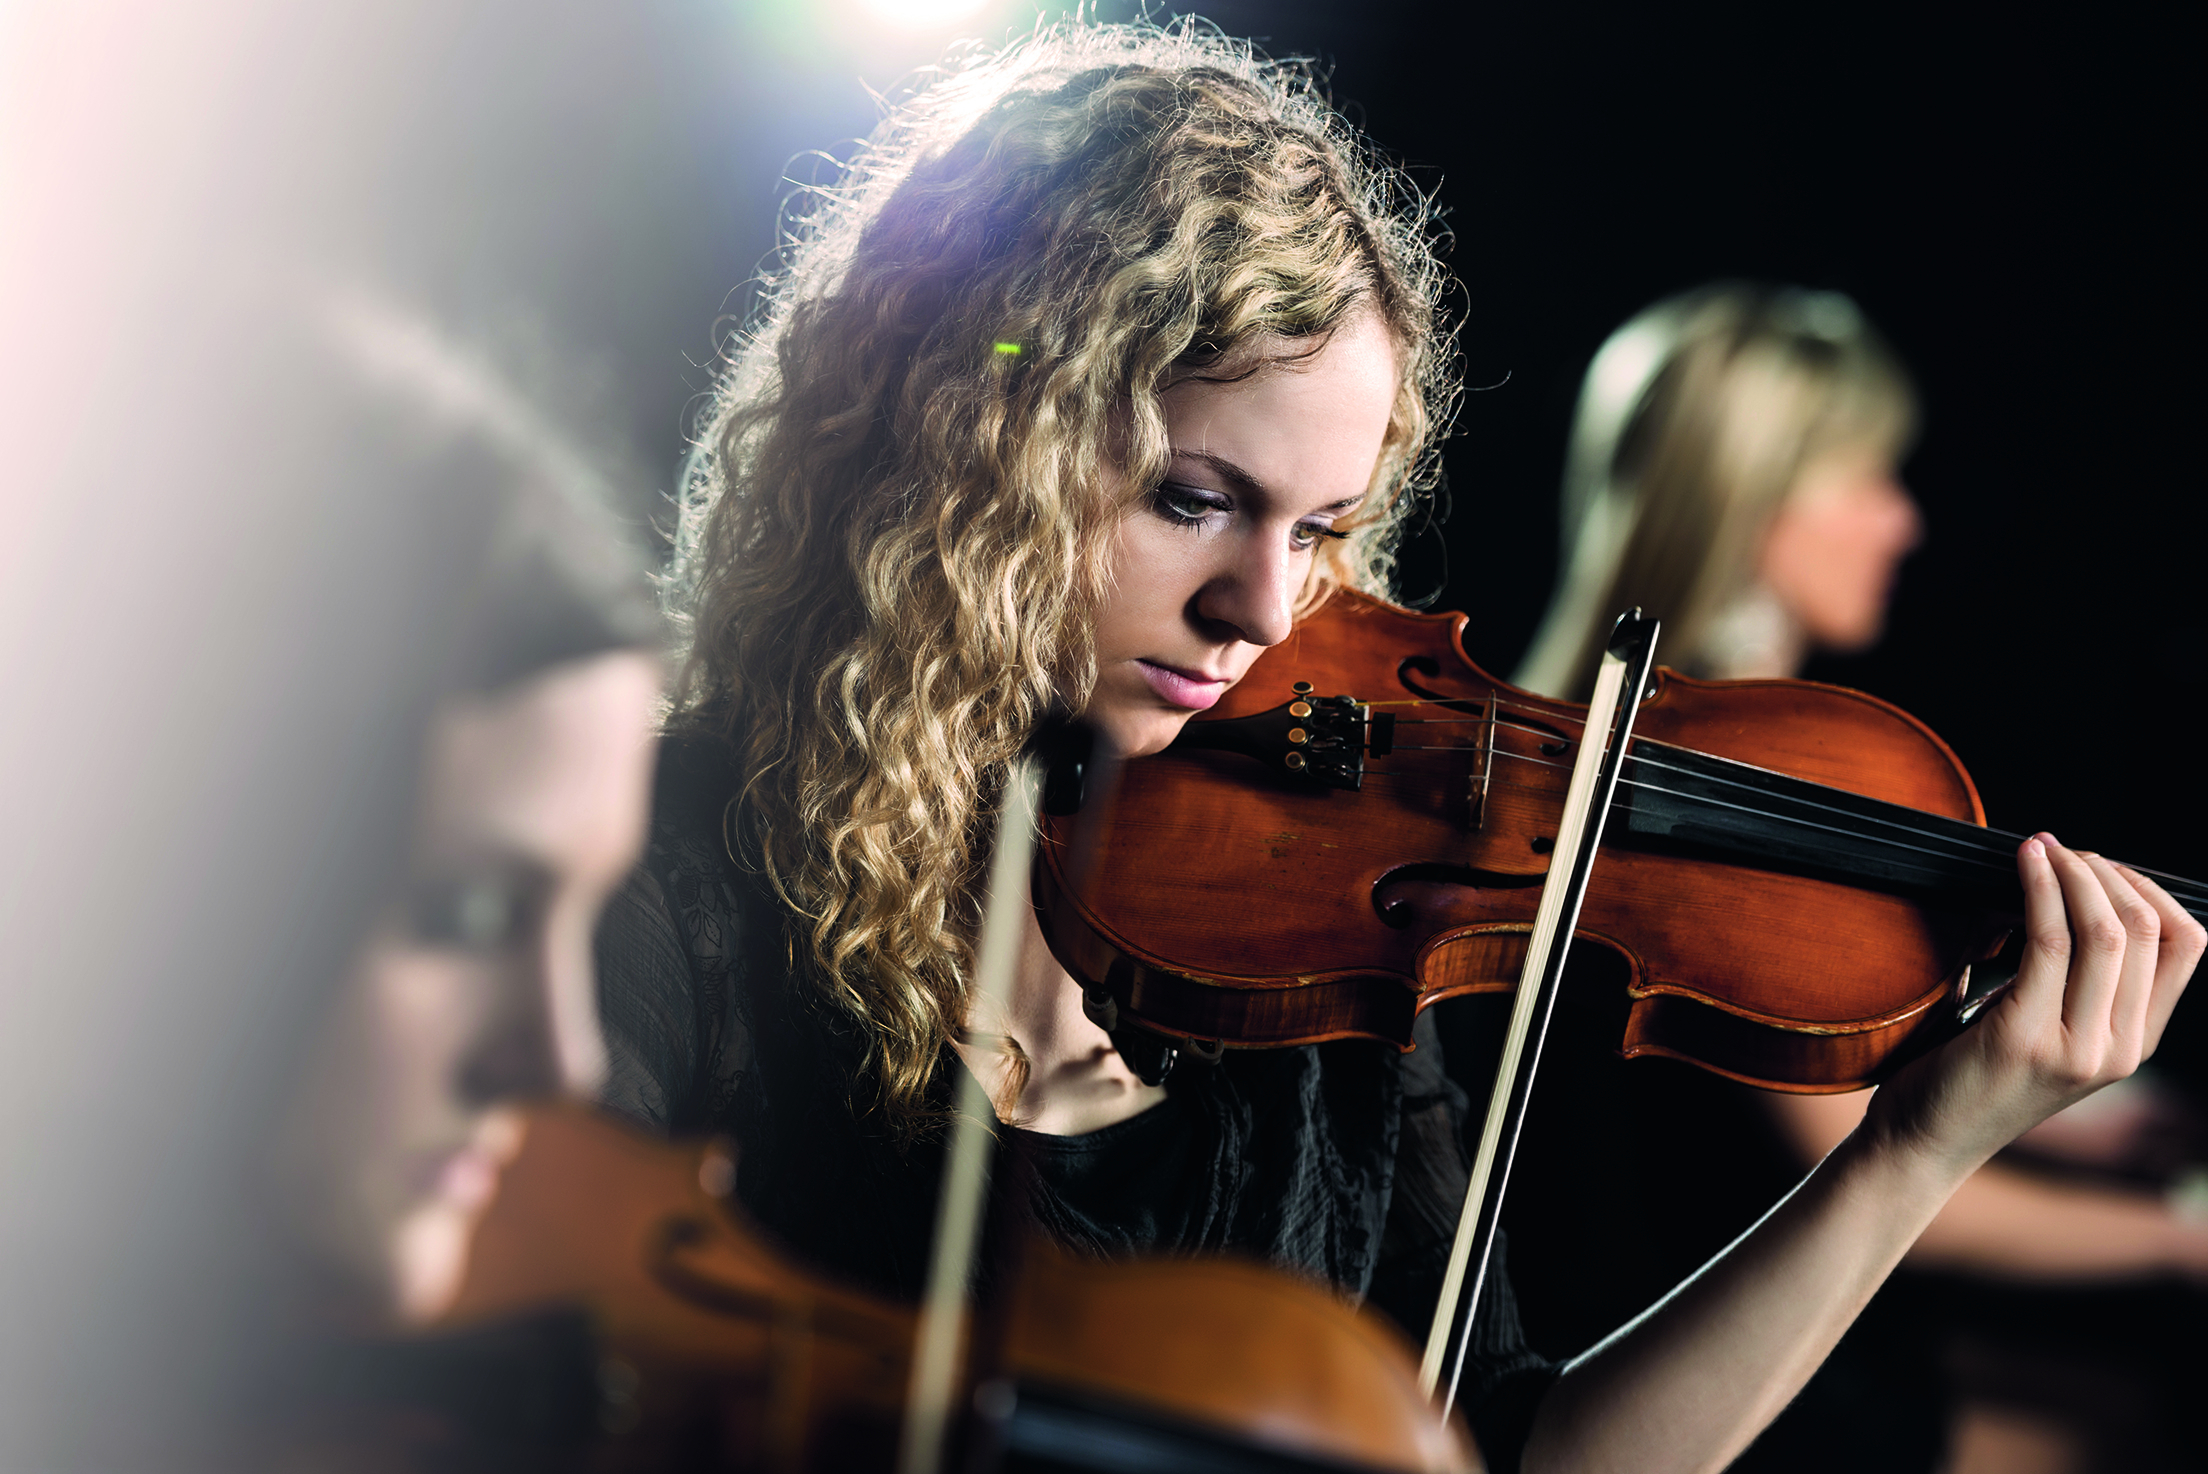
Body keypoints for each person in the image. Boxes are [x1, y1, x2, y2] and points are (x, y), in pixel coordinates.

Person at [593, 25, 2202, 1473]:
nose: (1259, 608)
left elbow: (1520, 1448)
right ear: (969, 442)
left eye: (1318, 529)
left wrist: (1916, 1151)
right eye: (1192, 499)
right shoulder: (668, 878)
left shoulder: (1314, 948)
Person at [1507, 283, 2208, 1470]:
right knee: (2126, 1417)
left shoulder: (1610, 734)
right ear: (1762, 492)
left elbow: (1829, 1061)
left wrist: (2080, 1124)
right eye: (1869, 477)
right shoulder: (1742, 781)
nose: (1902, 521)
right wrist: (2180, 1243)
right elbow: (1860, 1158)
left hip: (1673, 1288)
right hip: (1669, 1340)